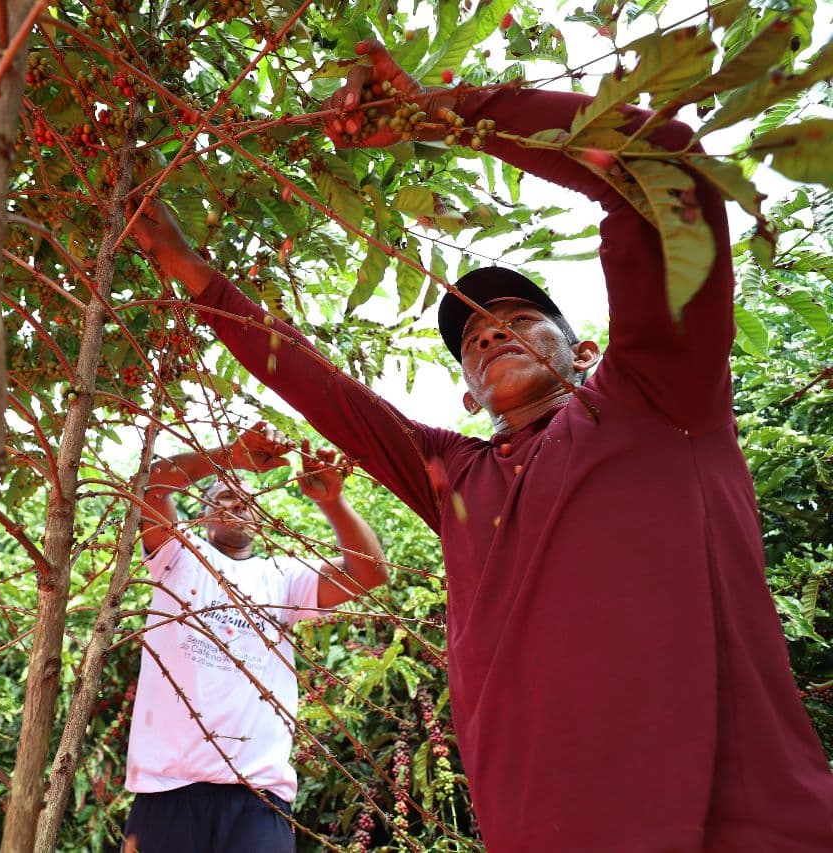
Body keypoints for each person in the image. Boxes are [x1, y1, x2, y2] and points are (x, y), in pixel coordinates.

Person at [129, 42, 833, 852]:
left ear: (587, 352)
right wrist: (197, 277)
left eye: (520, 319)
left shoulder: (657, 399)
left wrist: (450, 113)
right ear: (467, 395)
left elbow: (664, 170)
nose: (492, 329)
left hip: (740, 828)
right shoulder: (453, 477)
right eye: (473, 338)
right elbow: (327, 394)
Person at [123, 422, 387, 853]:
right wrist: (231, 455)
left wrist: (333, 503)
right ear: (203, 512)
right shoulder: (177, 554)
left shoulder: (282, 577)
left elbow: (369, 574)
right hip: (166, 789)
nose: (238, 502)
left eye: (246, 499)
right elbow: (151, 485)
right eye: (225, 495)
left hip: (259, 797)